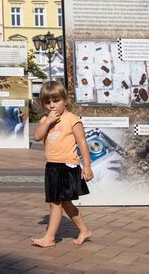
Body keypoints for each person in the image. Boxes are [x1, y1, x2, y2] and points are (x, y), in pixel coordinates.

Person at [31, 80, 93, 247]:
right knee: (63, 203)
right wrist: (48, 121)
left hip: (67, 166)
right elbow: (36, 137)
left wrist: (86, 166)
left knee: (55, 203)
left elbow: (82, 144)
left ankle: (49, 238)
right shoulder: (46, 119)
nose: (52, 105)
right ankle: (84, 230)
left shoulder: (72, 119)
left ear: (65, 100)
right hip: (52, 166)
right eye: (48, 102)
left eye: (56, 101)